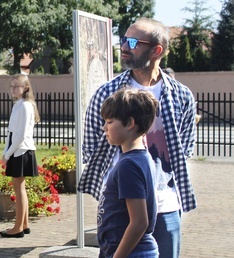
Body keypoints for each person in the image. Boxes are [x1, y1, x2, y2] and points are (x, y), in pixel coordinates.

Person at [79, 18, 197, 258]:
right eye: (123, 39)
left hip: (165, 208)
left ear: (157, 50)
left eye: (133, 42)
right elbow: (90, 147)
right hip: (120, 209)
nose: (123, 46)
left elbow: (184, 150)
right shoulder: (107, 93)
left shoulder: (182, 96)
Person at [97, 88, 159, 258]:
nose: (104, 127)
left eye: (109, 122)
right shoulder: (139, 157)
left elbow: (139, 222)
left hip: (132, 252)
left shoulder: (129, 165)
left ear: (130, 124)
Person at [0, 74, 40, 238]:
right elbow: (11, 133)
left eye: (17, 86)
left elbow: (20, 136)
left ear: (26, 88)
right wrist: (5, 152)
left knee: (19, 189)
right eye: (12, 86)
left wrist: (7, 155)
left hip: (21, 150)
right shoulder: (19, 104)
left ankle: (18, 228)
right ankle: (24, 224)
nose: (13, 89)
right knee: (19, 188)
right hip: (17, 149)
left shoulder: (24, 106)